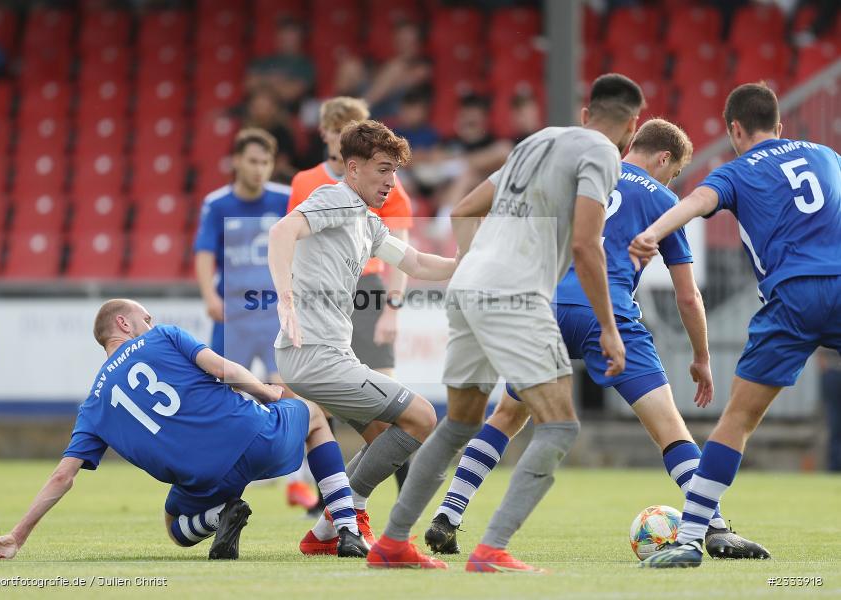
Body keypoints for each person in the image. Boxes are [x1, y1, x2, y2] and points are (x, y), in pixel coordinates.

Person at [421, 118, 767, 561]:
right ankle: (715, 527)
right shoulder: (662, 198)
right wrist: (701, 356)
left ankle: (448, 515)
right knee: (668, 428)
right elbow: (687, 295)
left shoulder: (577, 177)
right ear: (664, 159)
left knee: (508, 414)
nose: (671, 179)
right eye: (674, 171)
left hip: (545, 308)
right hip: (609, 313)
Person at [367, 73, 642, 571]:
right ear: (632, 126)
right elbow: (585, 245)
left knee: (460, 424)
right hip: (516, 294)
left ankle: (391, 543)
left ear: (585, 113)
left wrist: (477, 268)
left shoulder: (537, 141)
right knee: (559, 426)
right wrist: (608, 326)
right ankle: (491, 549)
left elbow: (465, 210)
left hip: (469, 286)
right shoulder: (603, 153)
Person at [630, 82, 841, 568]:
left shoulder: (736, 170)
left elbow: (698, 202)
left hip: (793, 298)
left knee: (739, 420)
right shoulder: (826, 154)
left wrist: (654, 232)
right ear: (780, 125)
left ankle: (688, 541)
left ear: (735, 130)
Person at [0, 299, 369, 561]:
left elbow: (63, 476)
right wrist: (266, 394)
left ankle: (219, 516)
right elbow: (225, 371)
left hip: (203, 479)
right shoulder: (162, 336)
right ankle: (347, 529)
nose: (150, 323)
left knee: (174, 527)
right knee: (314, 417)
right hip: (253, 437)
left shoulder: (94, 405)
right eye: (144, 318)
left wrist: (18, 534)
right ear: (123, 323)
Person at [268, 120, 457, 555]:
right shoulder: (335, 198)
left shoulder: (366, 222)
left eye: (395, 172)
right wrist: (285, 297)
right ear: (353, 169)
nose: (391, 182)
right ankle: (354, 513)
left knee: (381, 432)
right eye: (382, 170)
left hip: (323, 356)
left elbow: (413, 262)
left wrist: (462, 264)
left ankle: (324, 532)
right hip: (316, 355)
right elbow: (282, 231)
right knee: (423, 417)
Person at [288, 97, 415, 517]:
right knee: (324, 407)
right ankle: (335, 501)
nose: (340, 131)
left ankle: (400, 499)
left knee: (388, 409)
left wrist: (392, 308)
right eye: (334, 125)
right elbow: (291, 241)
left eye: (350, 123)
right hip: (323, 300)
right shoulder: (308, 182)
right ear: (325, 133)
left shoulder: (384, 182)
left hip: (368, 291)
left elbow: (402, 248)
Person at [194, 127, 319, 513]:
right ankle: (215, 488)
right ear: (236, 162)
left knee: (293, 391)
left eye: (266, 162)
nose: (260, 168)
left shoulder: (285, 200)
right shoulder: (217, 204)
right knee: (222, 398)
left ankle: (301, 484)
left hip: (274, 313)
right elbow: (203, 252)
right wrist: (209, 295)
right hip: (233, 315)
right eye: (253, 161)